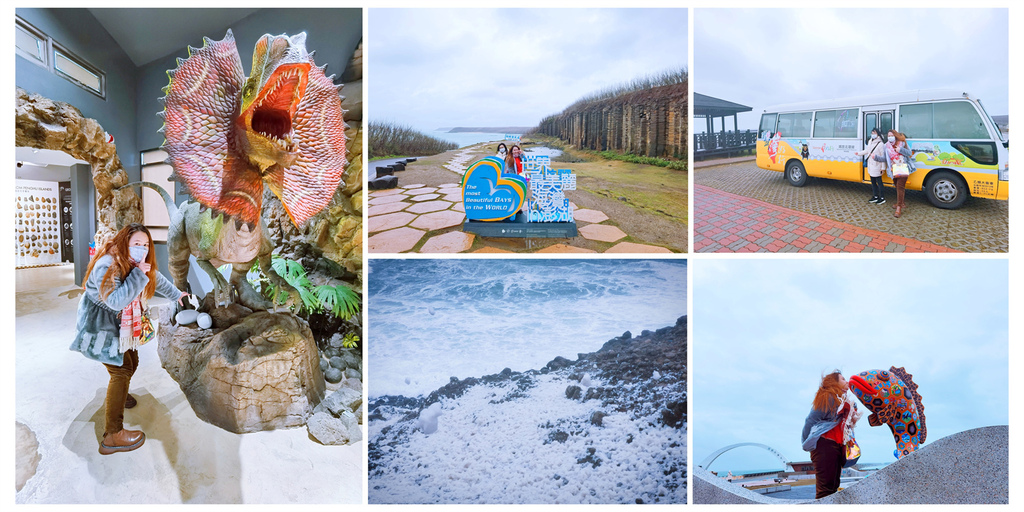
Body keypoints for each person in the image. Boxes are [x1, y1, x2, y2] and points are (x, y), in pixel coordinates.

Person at [69, 223, 186, 455]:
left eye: (145, 244)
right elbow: (116, 301)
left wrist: (178, 294)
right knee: (121, 371)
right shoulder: (106, 265)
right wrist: (138, 276)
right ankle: (112, 435)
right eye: (136, 244)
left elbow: (155, 277)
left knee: (131, 363)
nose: (141, 249)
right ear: (124, 243)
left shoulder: (132, 262)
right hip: (101, 328)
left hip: (119, 325)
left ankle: (119, 397)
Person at [800, 371, 860, 499]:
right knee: (826, 489)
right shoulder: (828, 397)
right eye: (842, 379)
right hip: (825, 445)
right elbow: (810, 420)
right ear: (834, 382)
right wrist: (807, 442)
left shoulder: (843, 400)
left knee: (833, 486)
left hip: (836, 445)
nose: (846, 381)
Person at [885, 130, 917, 217]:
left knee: (900, 187)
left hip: (903, 167)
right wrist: (875, 157)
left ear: (895, 136)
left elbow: (910, 153)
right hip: (894, 169)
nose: (890, 137)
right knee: (897, 186)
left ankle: (899, 208)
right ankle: (901, 203)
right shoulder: (886, 146)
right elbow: (886, 158)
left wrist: (900, 150)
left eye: (891, 135)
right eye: (888, 135)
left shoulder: (902, 143)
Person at [854, 128, 889, 204]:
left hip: (877, 166)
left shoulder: (880, 144)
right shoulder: (870, 141)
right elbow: (867, 151)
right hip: (871, 165)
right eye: (872, 133)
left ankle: (882, 198)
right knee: (873, 182)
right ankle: (875, 196)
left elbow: (883, 157)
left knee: (879, 183)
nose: (873, 134)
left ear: (878, 134)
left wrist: (883, 168)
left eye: (874, 133)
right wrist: (859, 153)